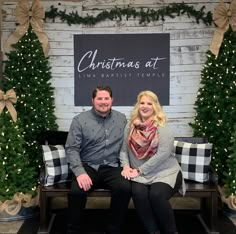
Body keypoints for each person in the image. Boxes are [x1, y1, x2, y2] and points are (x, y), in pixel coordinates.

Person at [65, 85, 131, 234]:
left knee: (124, 188)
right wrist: (80, 172)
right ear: (93, 100)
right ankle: (73, 229)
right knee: (77, 191)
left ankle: (114, 228)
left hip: (112, 166)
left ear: (112, 100)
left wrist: (128, 166)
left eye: (106, 98)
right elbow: (71, 148)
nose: (103, 101)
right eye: (99, 98)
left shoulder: (121, 119)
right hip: (87, 166)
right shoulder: (80, 120)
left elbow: (127, 144)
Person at [120, 90, 186, 234]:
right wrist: (125, 167)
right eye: (142, 103)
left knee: (156, 195)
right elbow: (124, 150)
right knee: (138, 194)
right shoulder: (129, 127)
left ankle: (171, 231)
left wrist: (138, 170)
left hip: (164, 172)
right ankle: (153, 231)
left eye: (149, 103)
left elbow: (163, 154)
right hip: (139, 174)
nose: (145, 106)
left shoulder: (162, 128)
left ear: (155, 106)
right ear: (138, 105)